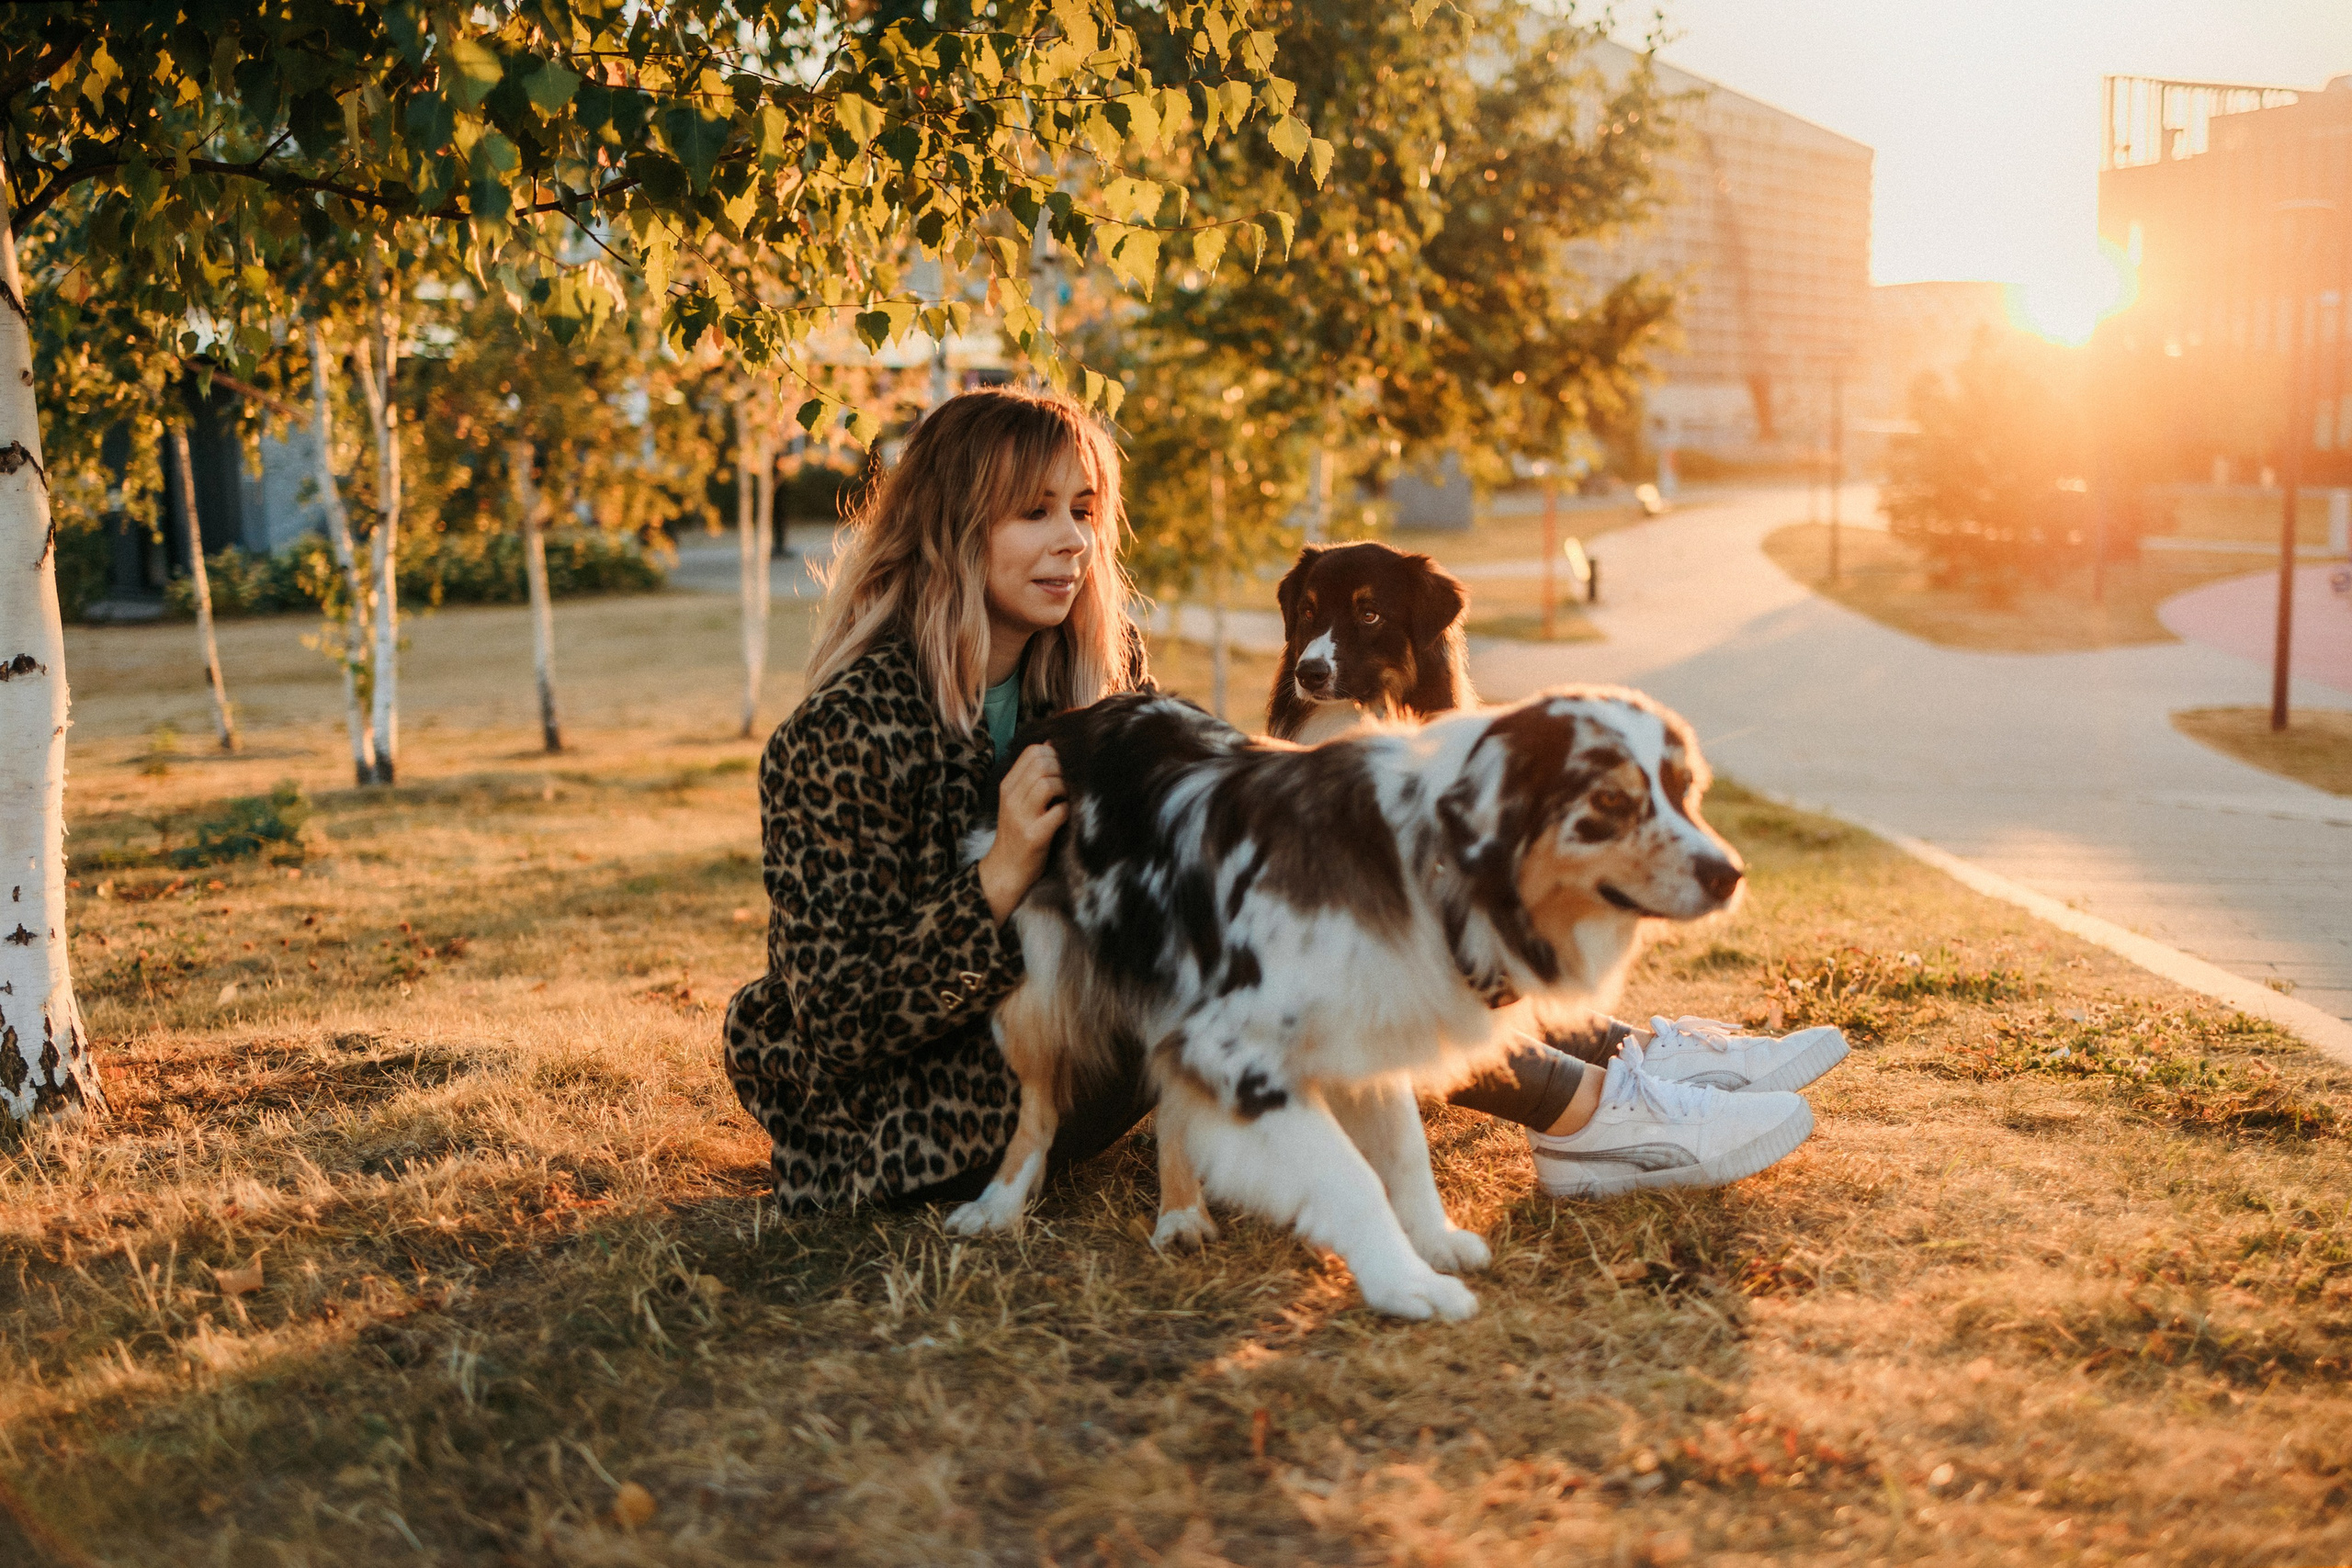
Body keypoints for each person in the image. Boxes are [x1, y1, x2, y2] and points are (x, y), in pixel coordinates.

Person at [723, 387, 1840, 1213]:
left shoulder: (1091, 676)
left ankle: (1609, 1049)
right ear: (951, 528)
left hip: (1106, 1024)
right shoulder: (843, 736)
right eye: (1031, 514)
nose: (1070, 541)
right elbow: (838, 1020)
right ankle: (1587, 1119)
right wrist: (1002, 871)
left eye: (1083, 509)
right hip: (928, 1110)